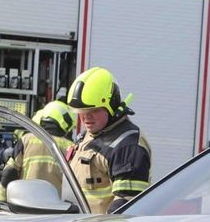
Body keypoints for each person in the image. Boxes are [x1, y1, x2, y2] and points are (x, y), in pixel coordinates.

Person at [65, 67, 151, 213]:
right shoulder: (90, 135)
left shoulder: (127, 145)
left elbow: (125, 206)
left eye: (93, 110)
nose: (86, 117)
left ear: (111, 106)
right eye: (81, 111)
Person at [0, 100, 76, 197]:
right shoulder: (70, 147)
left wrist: (2, 198)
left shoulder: (26, 140)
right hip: (56, 207)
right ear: (64, 122)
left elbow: (9, 172)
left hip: (25, 203)